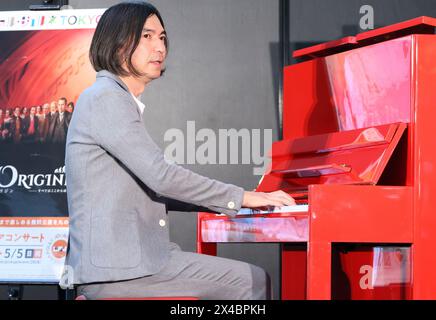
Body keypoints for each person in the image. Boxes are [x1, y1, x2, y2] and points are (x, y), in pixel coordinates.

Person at [64, 1, 295, 300]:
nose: (159, 47)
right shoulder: (106, 98)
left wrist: (239, 202)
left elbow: (155, 187)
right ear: (118, 42)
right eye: (146, 36)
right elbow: (160, 176)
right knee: (252, 281)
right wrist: (243, 197)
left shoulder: (110, 98)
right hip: (120, 270)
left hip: (131, 265)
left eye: (162, 38)